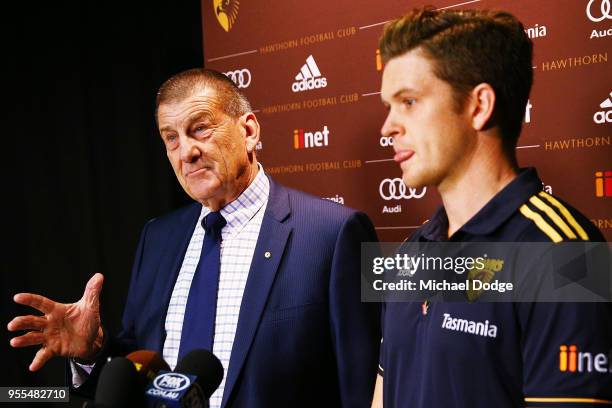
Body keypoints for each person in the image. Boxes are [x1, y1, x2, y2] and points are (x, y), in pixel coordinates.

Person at [8, 69, 381, 407]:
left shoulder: (334, 232)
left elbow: (361, 383)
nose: (187, 151)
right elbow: (139, 364)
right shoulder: (158, 237)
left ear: (249, 131)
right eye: (171, 138)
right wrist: (90, 352)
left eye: (200, 128)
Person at [371, 7, 611, 408]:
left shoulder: (571, 256)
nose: (388, 127)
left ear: (479, 106)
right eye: (389, 106)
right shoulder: (410, 254)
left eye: (409, 102)